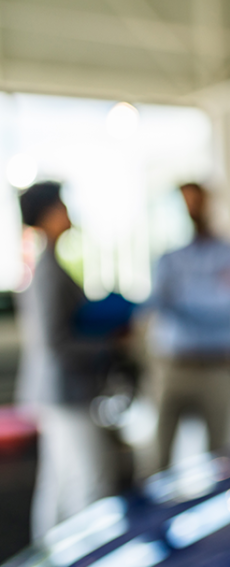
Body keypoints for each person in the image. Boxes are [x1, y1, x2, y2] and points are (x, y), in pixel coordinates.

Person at [15, 181, 118, 539]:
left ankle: (50, 563)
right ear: (48, 214)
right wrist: (109, 345)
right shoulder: (47, 271)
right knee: (92, 480)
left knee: (59, 483)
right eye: (61, 205)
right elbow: (54, 342)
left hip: (59, 388)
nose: (68, 213)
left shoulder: (50, 265)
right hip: (63, 389)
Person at [147, 182, 230, 471]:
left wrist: (181, 297)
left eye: (196, 202)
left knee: (221, 458)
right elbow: (159, 303)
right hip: (173, 365)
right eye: (184, 203)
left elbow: (225, 306)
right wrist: (204, 293)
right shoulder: (167, 258)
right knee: (158, 458)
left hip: (217, 365)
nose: (191, 210)